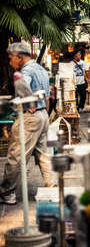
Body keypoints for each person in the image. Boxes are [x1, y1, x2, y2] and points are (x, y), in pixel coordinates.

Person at [0, 42, 55, 205]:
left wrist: (29, 103)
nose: (10, 63)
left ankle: (7, 192)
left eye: (11, 59)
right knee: (43, 155)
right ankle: (52, 188)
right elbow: (47, 97)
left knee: (16, 156)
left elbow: (22, 83)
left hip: (30, 117)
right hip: (42, 115)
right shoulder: (41, 69)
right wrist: (43, 112)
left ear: (19, 57)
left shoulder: (26, 71)